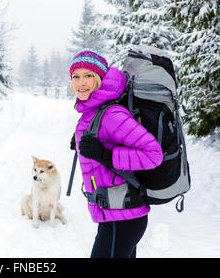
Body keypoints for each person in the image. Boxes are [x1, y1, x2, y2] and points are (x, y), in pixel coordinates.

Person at [69, 48, 163, 258]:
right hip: (117, 214)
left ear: (100, 78)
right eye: (76, 76)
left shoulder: (112, 114)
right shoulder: (93, 110)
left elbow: (153, 154)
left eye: (88, 76)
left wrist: (105, 154)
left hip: (122, 219)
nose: (80, 82)